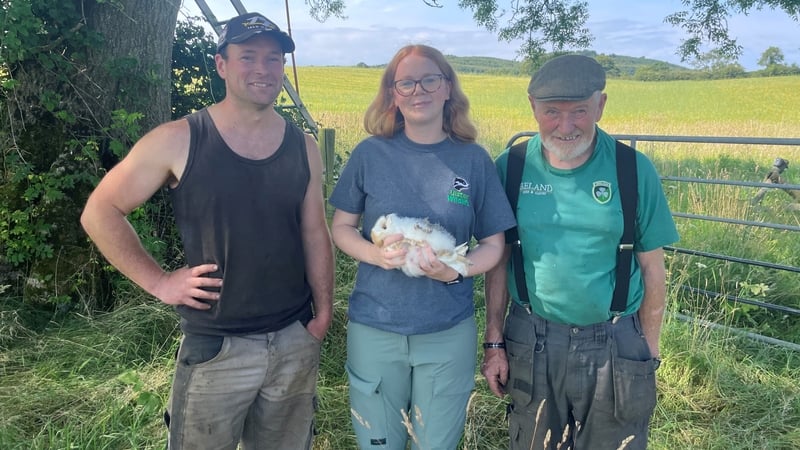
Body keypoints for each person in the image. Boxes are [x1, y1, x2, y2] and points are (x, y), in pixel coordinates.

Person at [80, 12, 333, 450]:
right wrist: (159, 281)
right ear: (221, 65)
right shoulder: (179, 138)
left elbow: (315, 233)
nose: (262, 69)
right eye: (248, 56)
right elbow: (100, 211)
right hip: (216, 347)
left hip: (294, 336)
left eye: (273, 60)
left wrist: (323, 313)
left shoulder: (302, 146)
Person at [481, 54, 679, 450]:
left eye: (580, 112)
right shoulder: (511, 167)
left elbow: (653, 270)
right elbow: (498, 260)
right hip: (532, 339)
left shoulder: (633, 170)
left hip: (614, 339)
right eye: (552, 112)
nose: (566, 126)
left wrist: (647, 353)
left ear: (601, 105)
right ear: (533, 107)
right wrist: (494, 342)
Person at [328, 44, 516, 449]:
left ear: (448, 87)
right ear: (393, 94)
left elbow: (493, 244)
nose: (419, 90)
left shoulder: (473, 161)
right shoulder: (370, 154)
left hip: (447, 330)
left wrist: (456, 271)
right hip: (375, 326)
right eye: (406, 82)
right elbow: (341, 227)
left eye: (430, 79)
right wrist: (375, 255)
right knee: (379, 443)